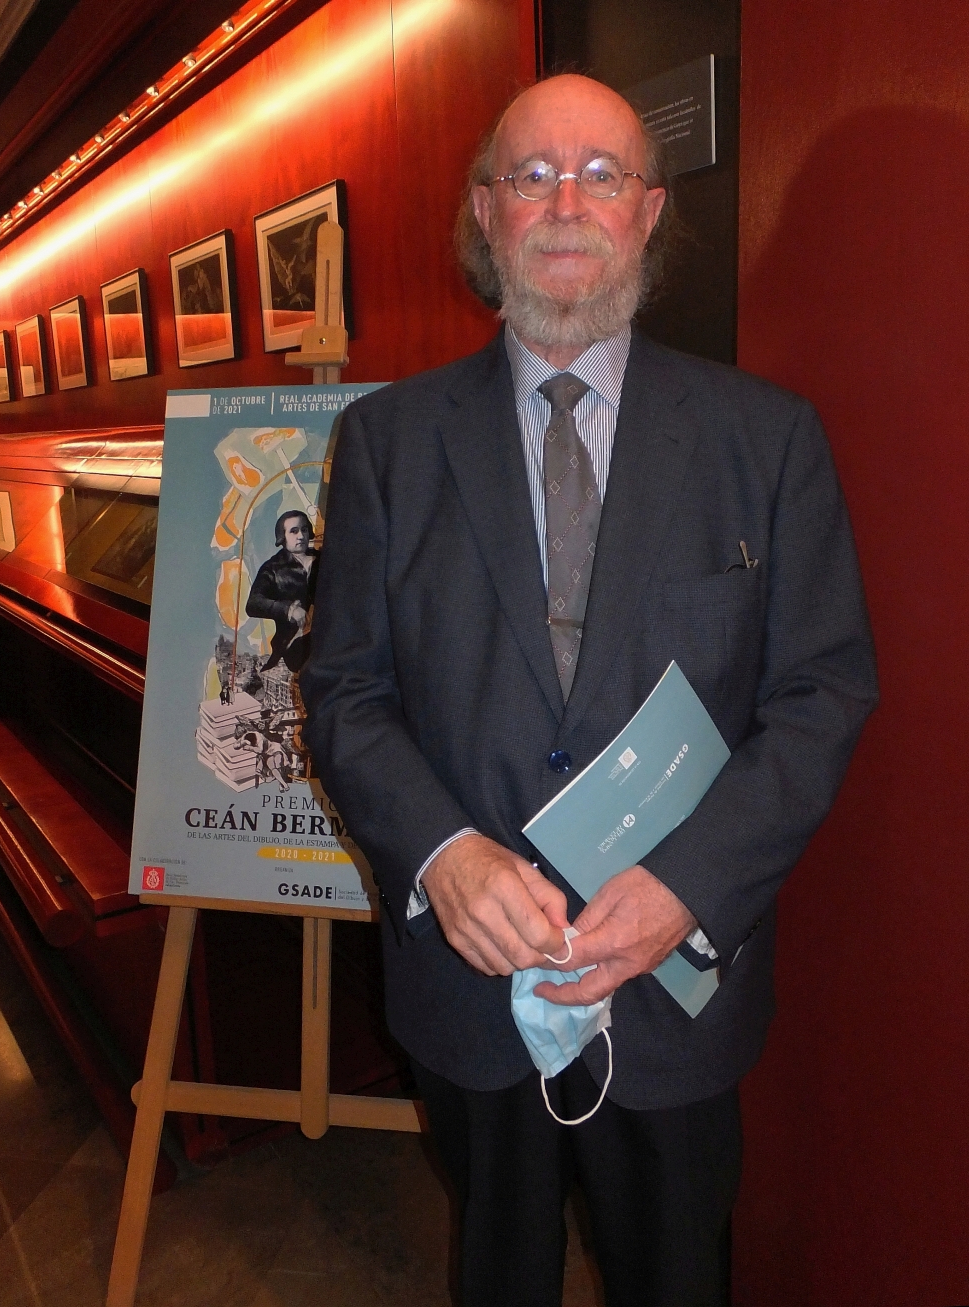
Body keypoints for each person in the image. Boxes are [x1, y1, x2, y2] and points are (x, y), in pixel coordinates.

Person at [300, 74, 877, 1307]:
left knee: (675, 1276)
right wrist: (442, 852)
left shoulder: (767, 438)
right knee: (496, 1270)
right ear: (486, 211)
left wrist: (690, 887)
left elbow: (822, 690)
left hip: (674, 989)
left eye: (602, 174)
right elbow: (344, 690)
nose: (567, 203)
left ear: (649, 212)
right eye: (533, 174)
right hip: (471, 985)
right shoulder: (388, 444)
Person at [245, 508, 318, 672]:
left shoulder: (324, 560)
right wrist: (289, 610)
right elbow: (253, 603)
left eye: (304, 530)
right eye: (294, 531)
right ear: (282, 537)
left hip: (330, 634)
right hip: (295, 643)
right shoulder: (272, 568)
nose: (301, 536)